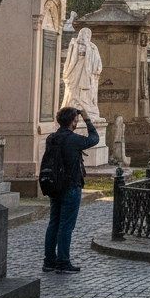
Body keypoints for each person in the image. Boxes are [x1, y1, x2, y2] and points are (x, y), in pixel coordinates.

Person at [43, 106, 99, 274]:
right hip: (71, 186)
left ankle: (49, 261)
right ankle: (63, 262)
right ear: (73, 121)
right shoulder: (74, 139)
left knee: (54, 223)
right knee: (66, 226)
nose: (77, 121)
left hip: (55, 186)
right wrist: (88, 120)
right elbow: (94, 139)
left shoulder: (51, 138)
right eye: (76, 119)